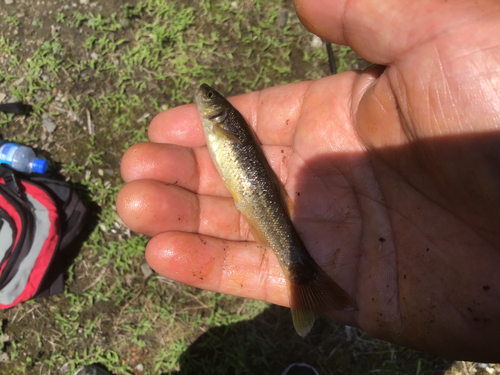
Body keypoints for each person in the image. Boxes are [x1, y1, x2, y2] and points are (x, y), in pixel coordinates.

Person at [116, 0, 500, 363]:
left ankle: (304, 275)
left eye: (208, 101)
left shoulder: (220, 121)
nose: (203, 100)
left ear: (214, 115)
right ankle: (305, 277)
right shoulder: (221, 123)